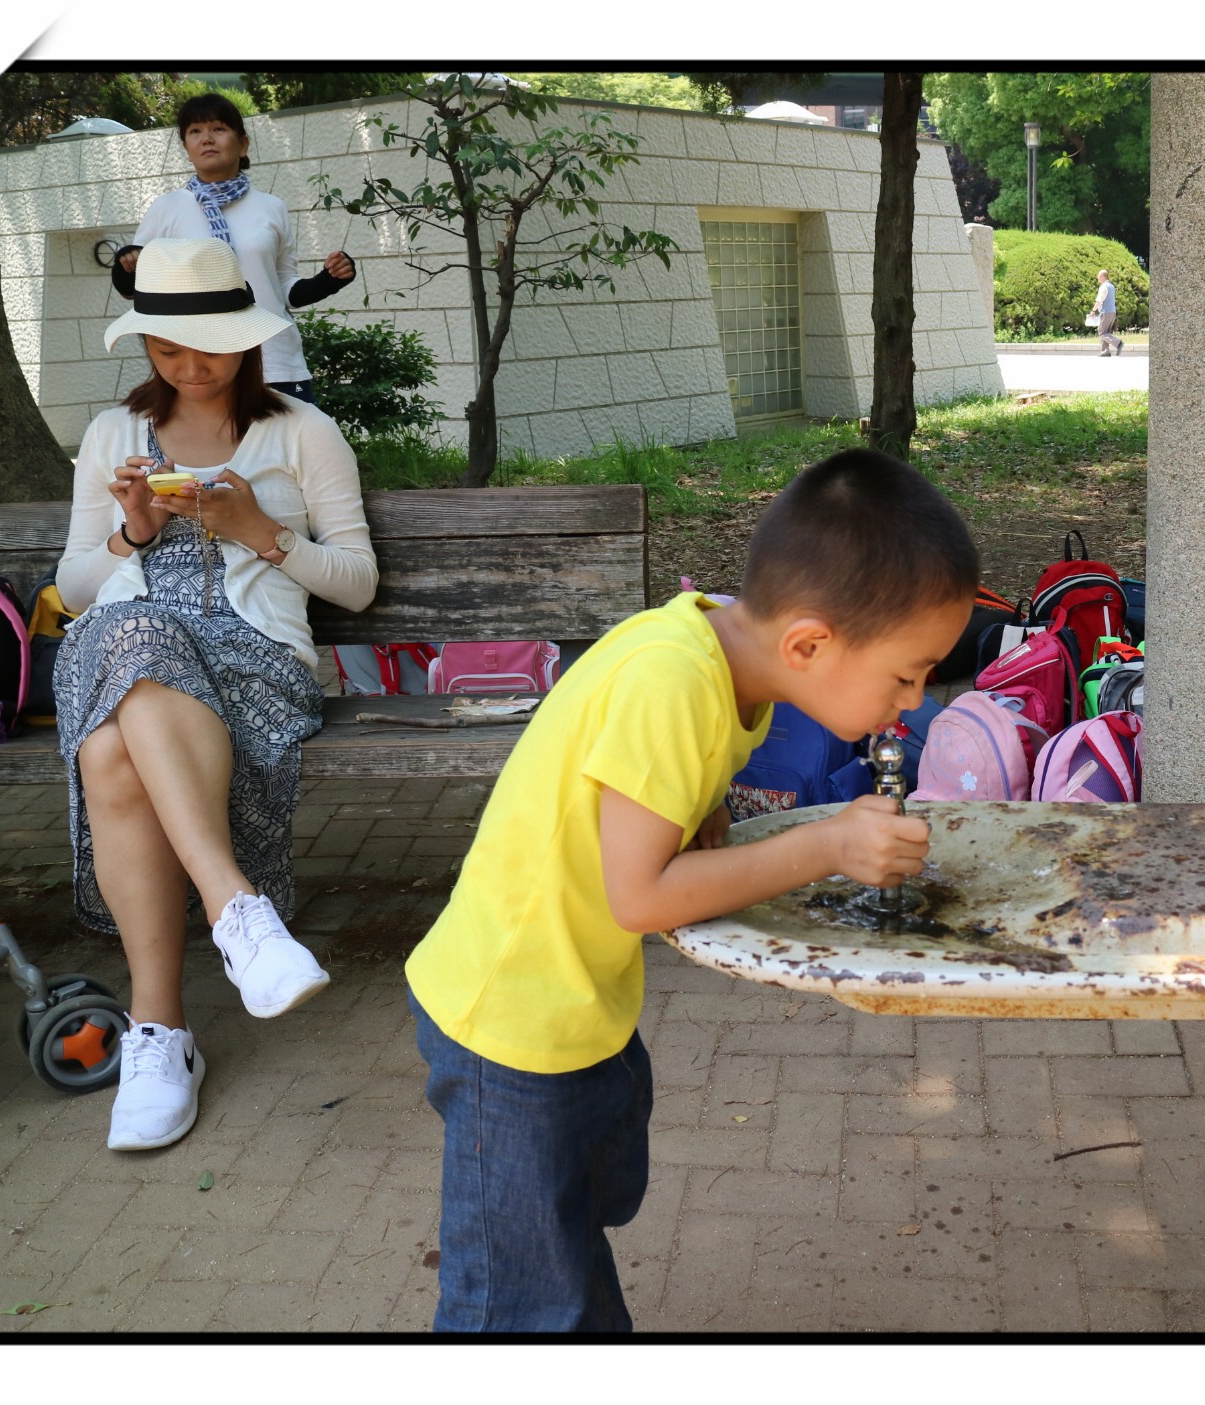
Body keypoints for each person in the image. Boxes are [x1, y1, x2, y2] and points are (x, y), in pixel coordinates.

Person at [402, 448, 980, 1331]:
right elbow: (638, 897)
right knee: (515, 1303)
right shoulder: (673, 681)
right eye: (905, 673)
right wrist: (827, 842)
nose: (910, 702)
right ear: (810, 643)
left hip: (573, 1003)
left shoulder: (718, 651)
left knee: (570, 1235)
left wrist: (698, 804)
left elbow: (639, 789)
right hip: (510, 1022)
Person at [55, 237, 378, 1152]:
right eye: (165, 349)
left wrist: (259, 531)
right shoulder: (113, 434)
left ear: (249, 339)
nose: (189, 366)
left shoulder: (303, 433)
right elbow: (77, 587)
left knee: (112, 747)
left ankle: (157, 1031)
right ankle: (239, 915)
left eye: (209, 346)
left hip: (255, 664)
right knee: (132, 631)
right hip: (123, 646)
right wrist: (133, 532)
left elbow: (355, 580)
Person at [110, 92, 355, 404]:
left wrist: (328, 281)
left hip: (275, 360)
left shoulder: (272, 207)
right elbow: (137, 290)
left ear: (243, 144)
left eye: (218, 129)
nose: (207, 139)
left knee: (290, 452)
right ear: (186, 149)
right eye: (195, 132)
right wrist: (125, 263)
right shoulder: (167, 208)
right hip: (201, 364)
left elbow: (282, 287)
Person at [1091, 268, 1123, 357]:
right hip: (1112, 312)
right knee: (1106, 332)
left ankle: (1118, 343)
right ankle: (1105, 351)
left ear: (1102, 276)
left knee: (1101, 332)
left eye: (1098, 276)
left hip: (1106, 312)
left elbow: (1099, 300)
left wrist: (1093, 310)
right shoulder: (1111, 286)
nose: (1097, 278)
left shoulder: (1104, 287)